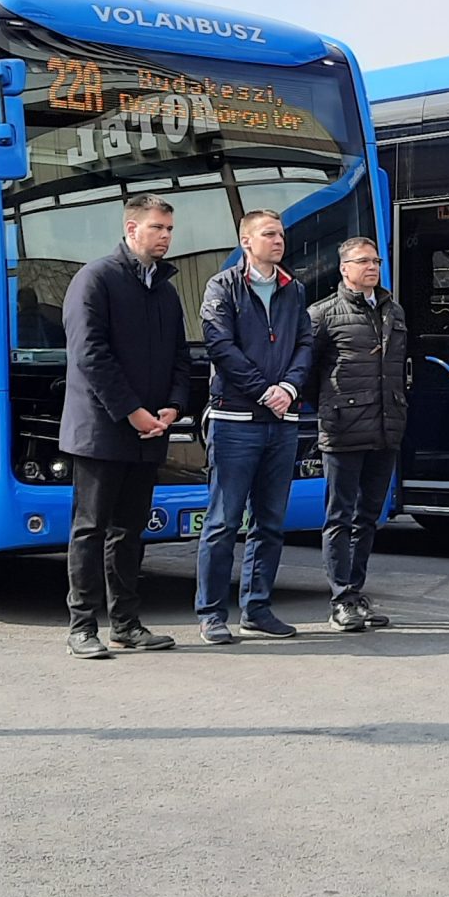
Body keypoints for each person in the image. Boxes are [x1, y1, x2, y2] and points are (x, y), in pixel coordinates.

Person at [58, 195, 191, 659]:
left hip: (150, 430)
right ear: (132, 230)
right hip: (102, 430)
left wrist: (174, 406)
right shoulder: (95, 279)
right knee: (91, 529)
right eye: (157, 228)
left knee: (130, 532)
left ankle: (127, 624)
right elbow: (90, 355)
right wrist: (132, 411)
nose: (166, 237)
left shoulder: (166, 290)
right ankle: (81, 626)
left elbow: (180, 356)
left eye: (169, 229)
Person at [194, 210, 314, 643]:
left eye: (280, 234)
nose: (278, 240)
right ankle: (211, 614)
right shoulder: (222, 286)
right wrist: (265, 390)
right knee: (224, 522)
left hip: (282, 423)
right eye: (269, 234)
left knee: (271, 522)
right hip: (235, 421)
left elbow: (305, 343)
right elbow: (220, 346)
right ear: (246, 241)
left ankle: (257, 608)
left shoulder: (293, 289)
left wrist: (289, 387)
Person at [305, 237, 406, 632]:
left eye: (376, 261)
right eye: (363, 261)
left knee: (367, 517)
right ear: (344, 268)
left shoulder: (392, 310)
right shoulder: (323, 314)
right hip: (343, 428)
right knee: (339, 516)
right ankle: (340, 599)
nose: (372, 267)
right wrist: (332, 407)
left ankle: (356, 593)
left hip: (386, 426)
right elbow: (308, 372)